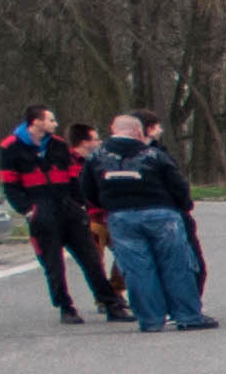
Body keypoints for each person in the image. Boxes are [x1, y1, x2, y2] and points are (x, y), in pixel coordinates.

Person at [81, 113, 215, 330]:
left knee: (137, 269)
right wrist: (183, 205)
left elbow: (87, 190)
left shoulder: (96, 157)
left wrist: (109, 204)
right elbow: (178, 185)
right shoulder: (154, 155)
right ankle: (188, 316)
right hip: (161, 213)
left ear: (113, 131)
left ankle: (151, 320)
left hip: (120, 216)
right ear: (138, 132)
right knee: (175, 265)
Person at [0, 105, 118, 319]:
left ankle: (110, 303)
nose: (55, 124)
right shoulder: (10, 147)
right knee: (53, 263)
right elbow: (10, 183)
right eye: (51, 120)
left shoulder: (58, 144)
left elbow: (72, 176)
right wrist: (27, 210)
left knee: (91, 258)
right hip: (40, 208)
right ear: (36, 122)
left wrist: (78, 202)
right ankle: (65, 307)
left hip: (67, 206)